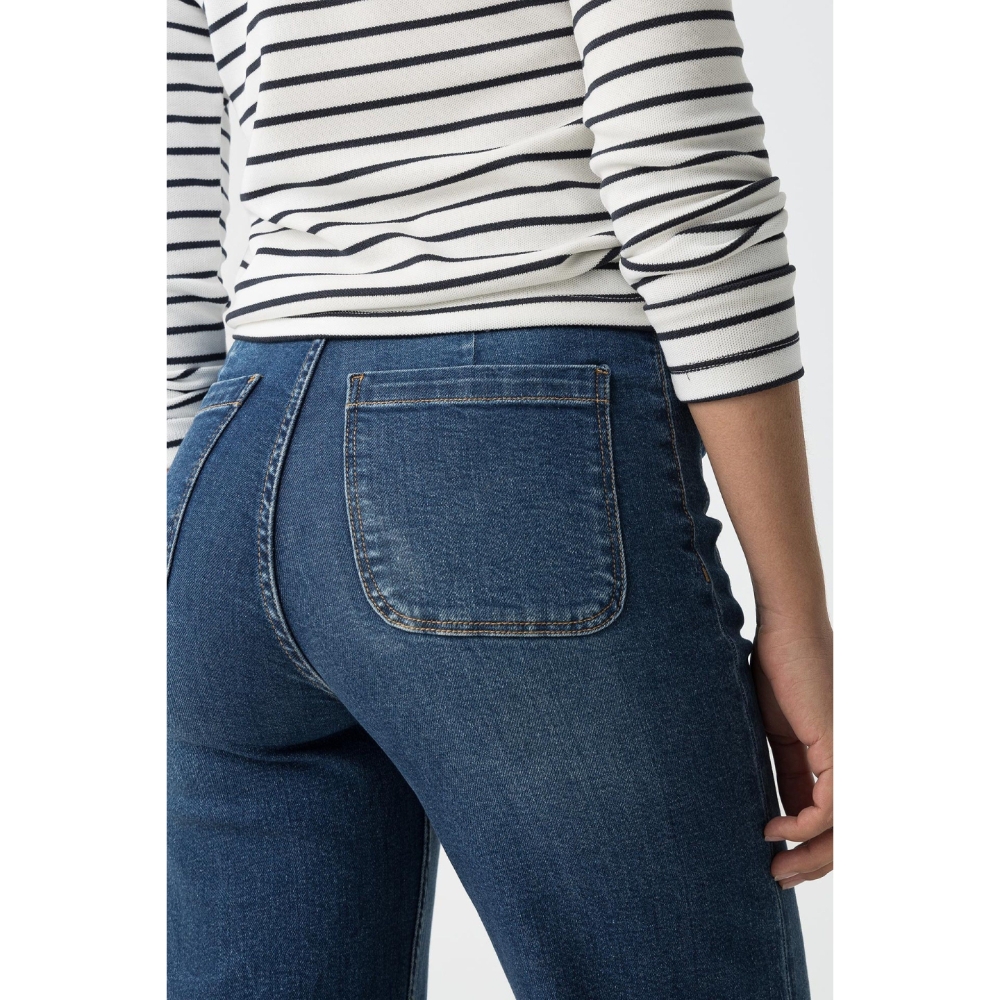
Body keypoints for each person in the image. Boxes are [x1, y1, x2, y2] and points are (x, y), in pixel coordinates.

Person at [166, 1, 832, 997]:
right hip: (506, 436)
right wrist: (796, 612)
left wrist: (187, 503)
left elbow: (167, 200)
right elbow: (678, 158)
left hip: (233, 453)